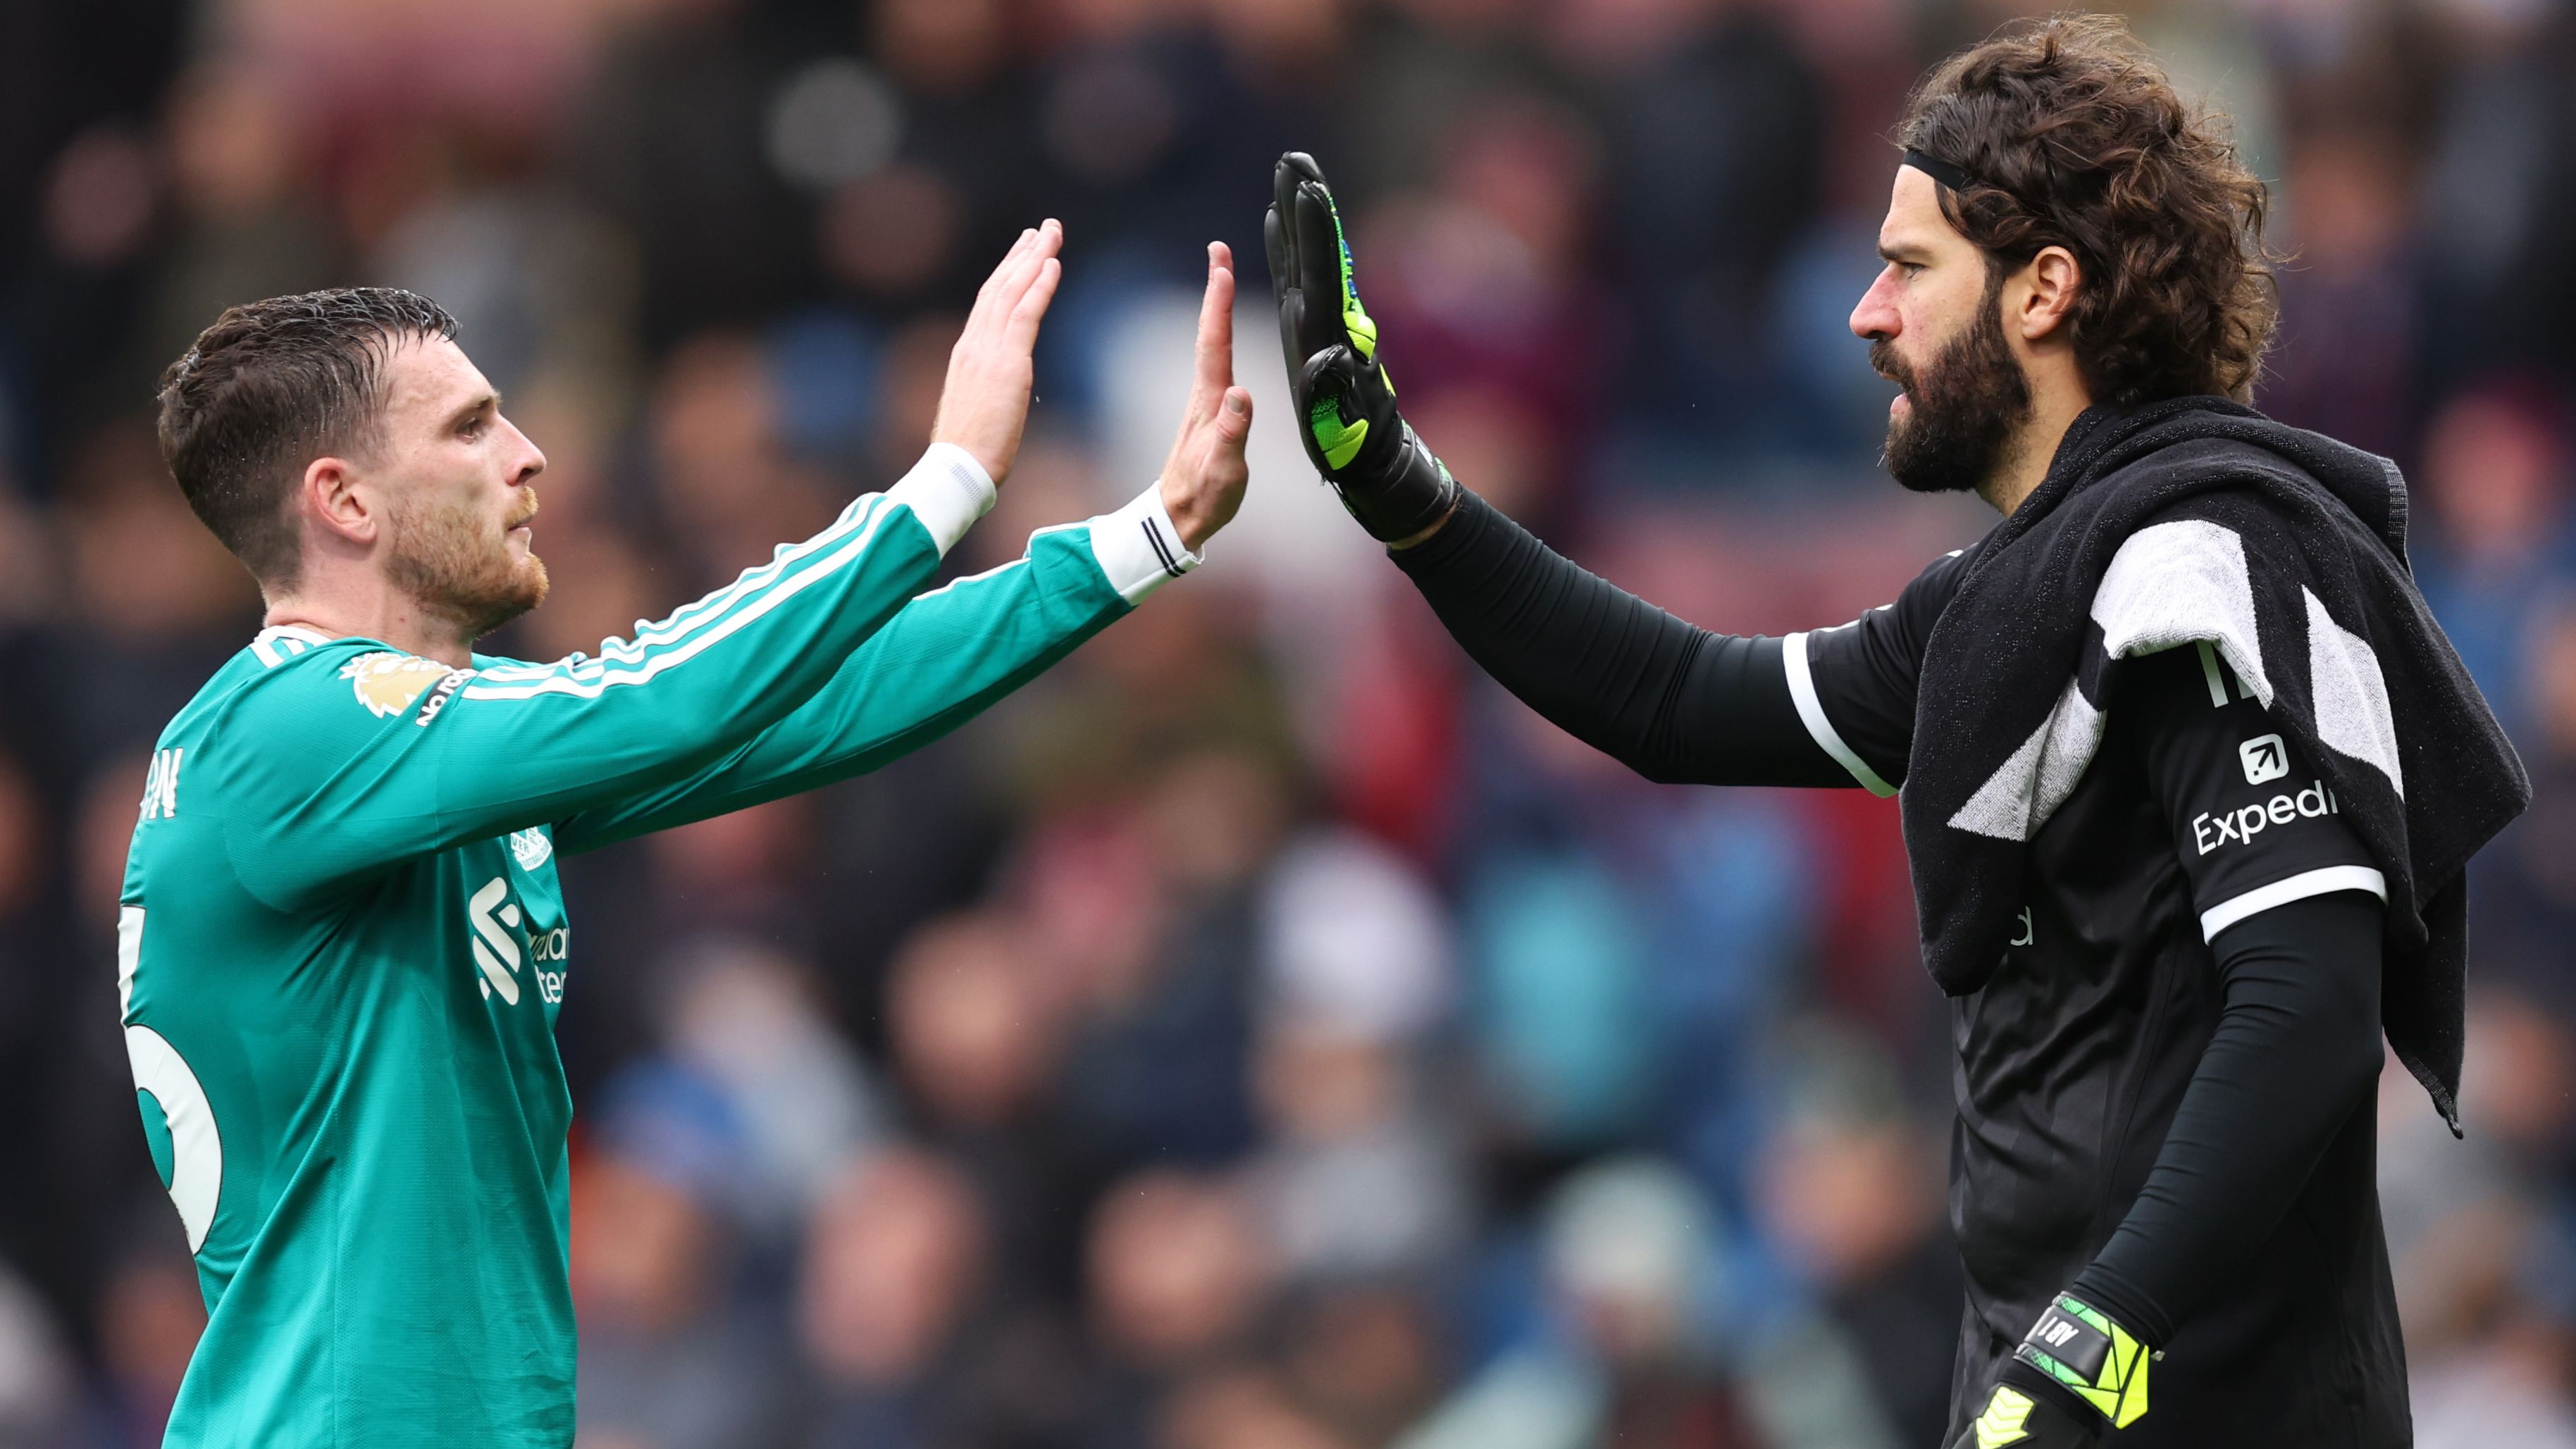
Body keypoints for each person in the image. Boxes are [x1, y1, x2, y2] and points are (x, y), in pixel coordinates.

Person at [1266, 16, 2527, 1449]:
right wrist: (1402, 490)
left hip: (2202, 1406)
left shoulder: (2204, 563)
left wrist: (2107, 1326)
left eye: (1912, 267)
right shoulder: (2012, 603)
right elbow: (1672, 701)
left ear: (2045, 288)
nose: (1866, 313)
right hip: (2043, 1384)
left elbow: (2306, 1008)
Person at [117, 222, 1255, 1448]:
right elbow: (653, 689)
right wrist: (946, 480)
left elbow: (812, 708)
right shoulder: (287, 728)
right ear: (343, 502)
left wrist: (1144, 537)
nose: (528, 453)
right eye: (467, 426)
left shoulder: (410, 767)